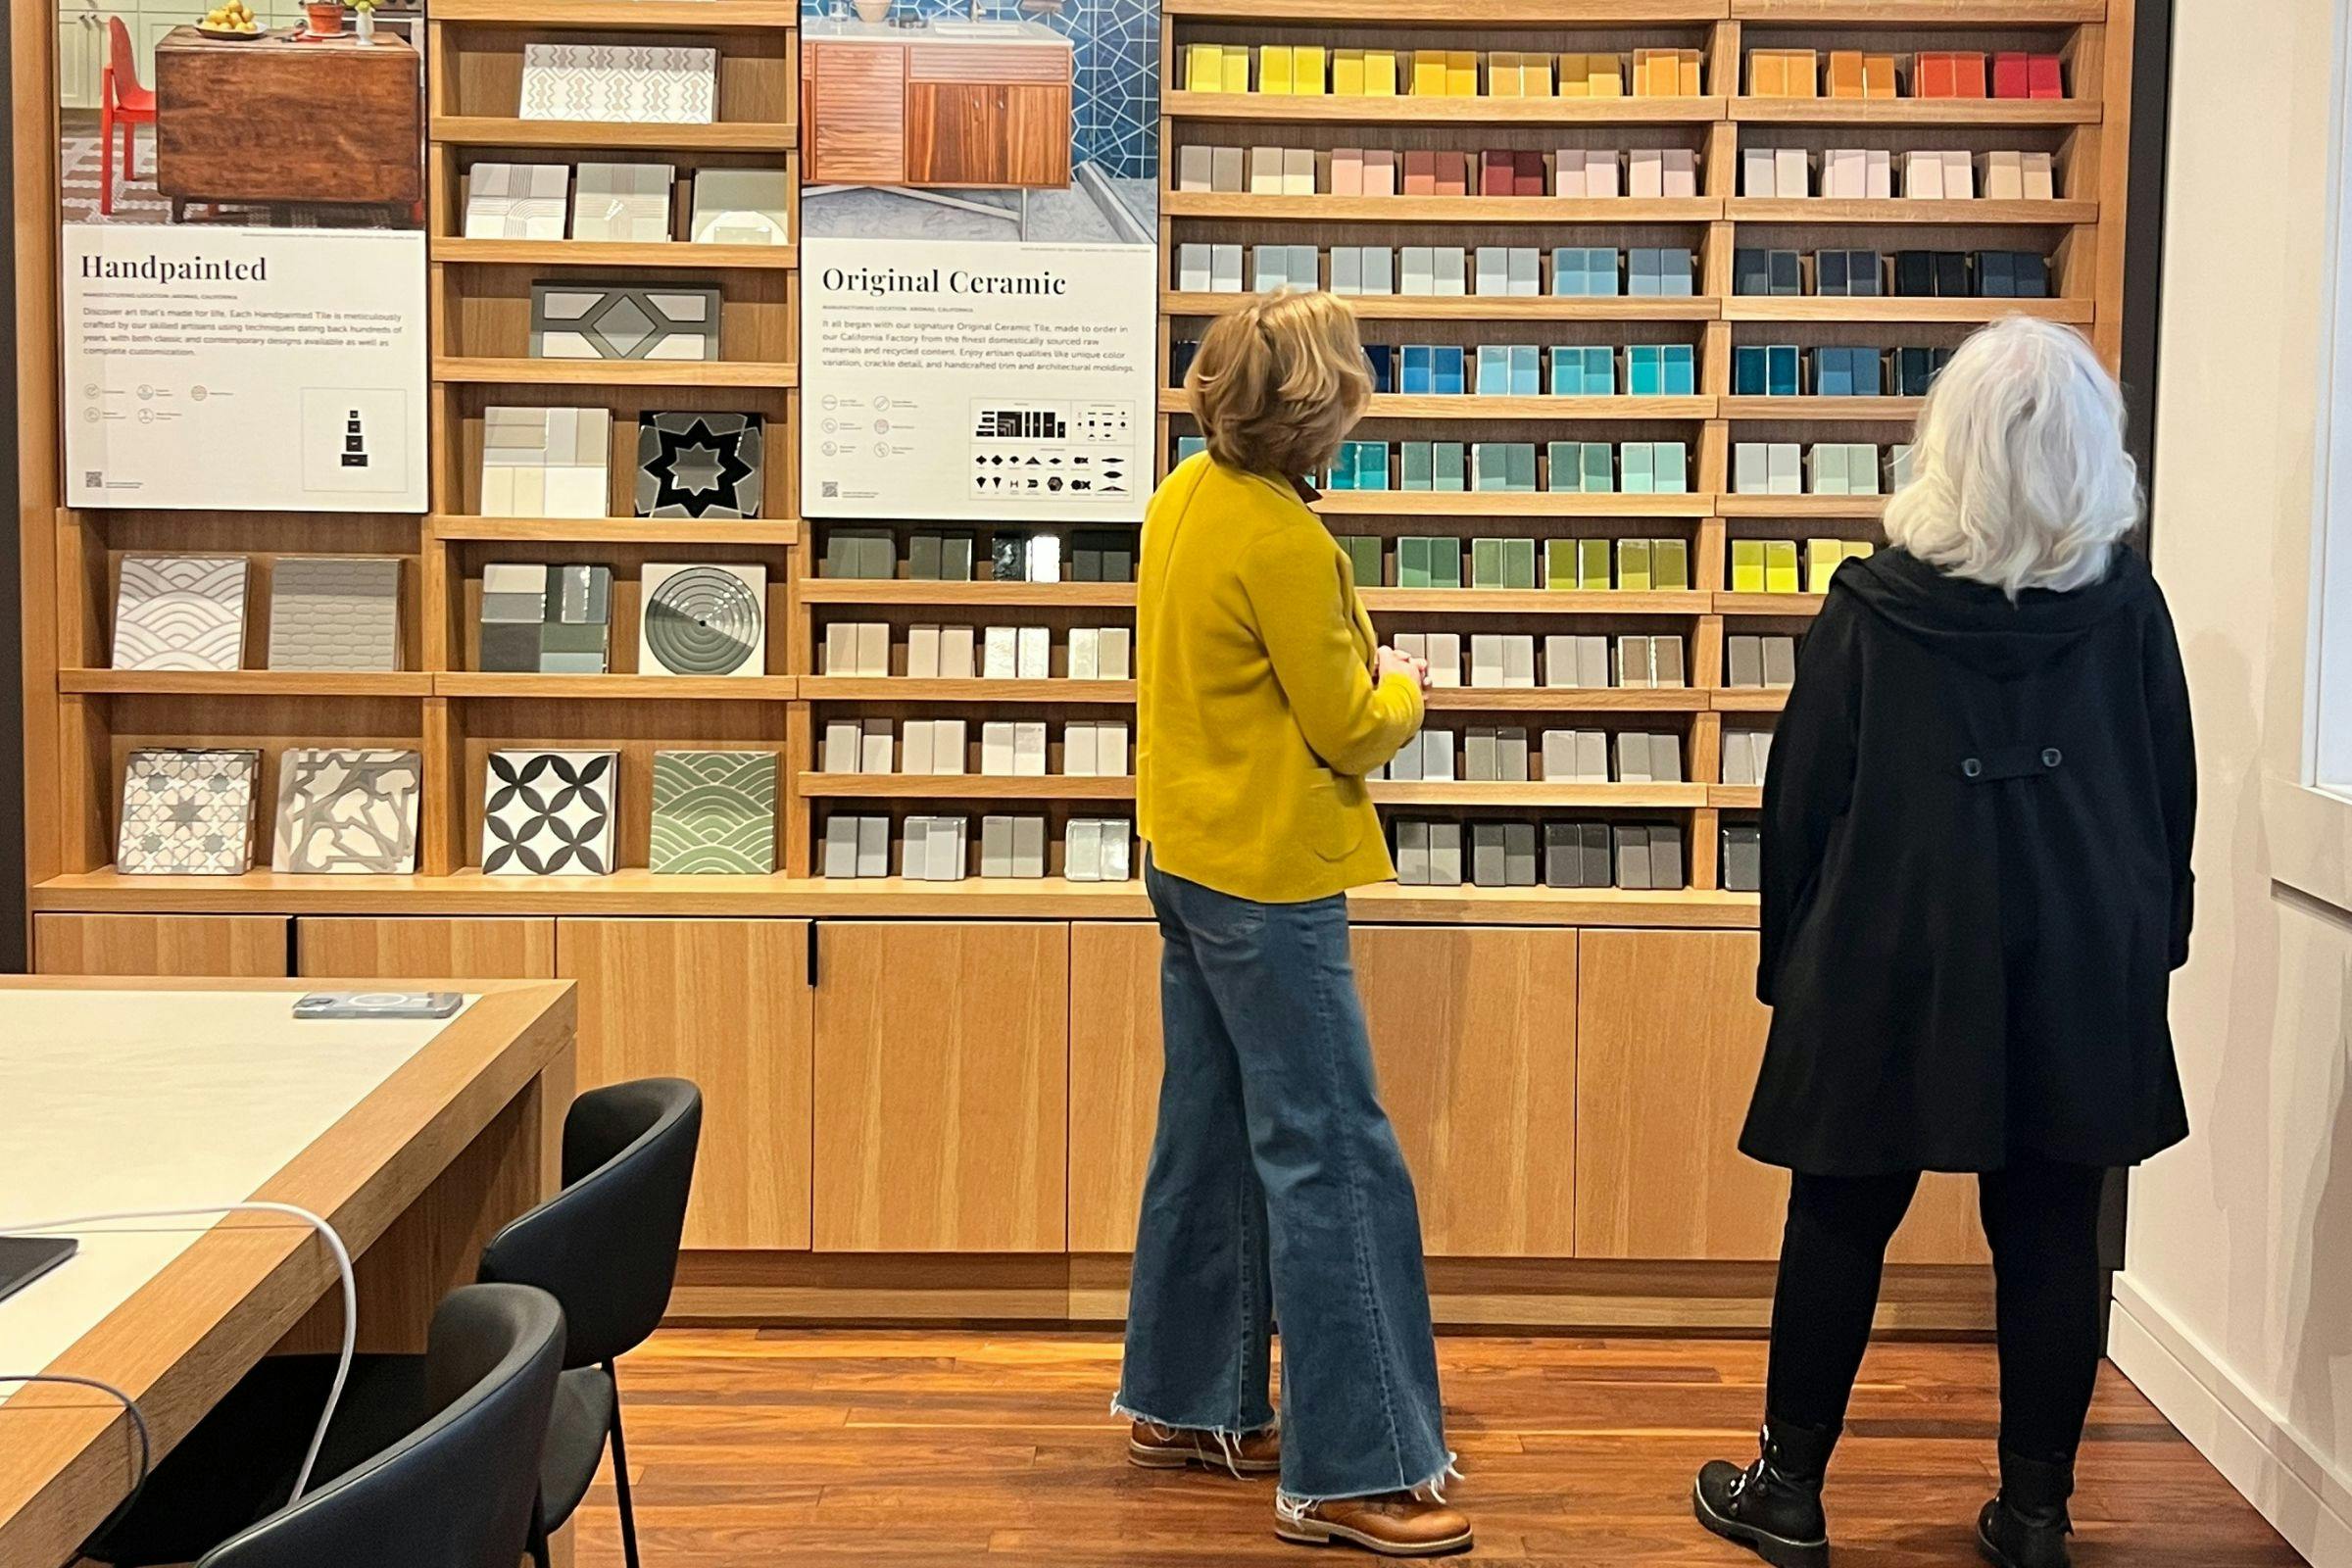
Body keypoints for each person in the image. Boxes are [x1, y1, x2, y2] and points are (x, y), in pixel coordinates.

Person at [1690, 316, 2197, 1568]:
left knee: (1840, 1215)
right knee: (2050, 1230)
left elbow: (1800, 795)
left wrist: (1787, 964)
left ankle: (1790, 1489)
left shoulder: (1872, 605)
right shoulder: (2128, 606)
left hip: (1889, 948)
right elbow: (2165, 794)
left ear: (1949, 443)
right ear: (2094, 451)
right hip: (2078, 952)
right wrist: (2154, 945)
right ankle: (2035, 1516)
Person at [1114, 287, 1471, 1558]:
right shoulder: (1283, 538)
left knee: (1209, 1132)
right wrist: (1405, 691)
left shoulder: (1181, 498)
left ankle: (1187, 1395)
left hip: (1188, 857)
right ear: (1318, 412)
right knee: (1335, 1156)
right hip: (1270, 878)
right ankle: (1353, 1465)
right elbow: (1346, 723)